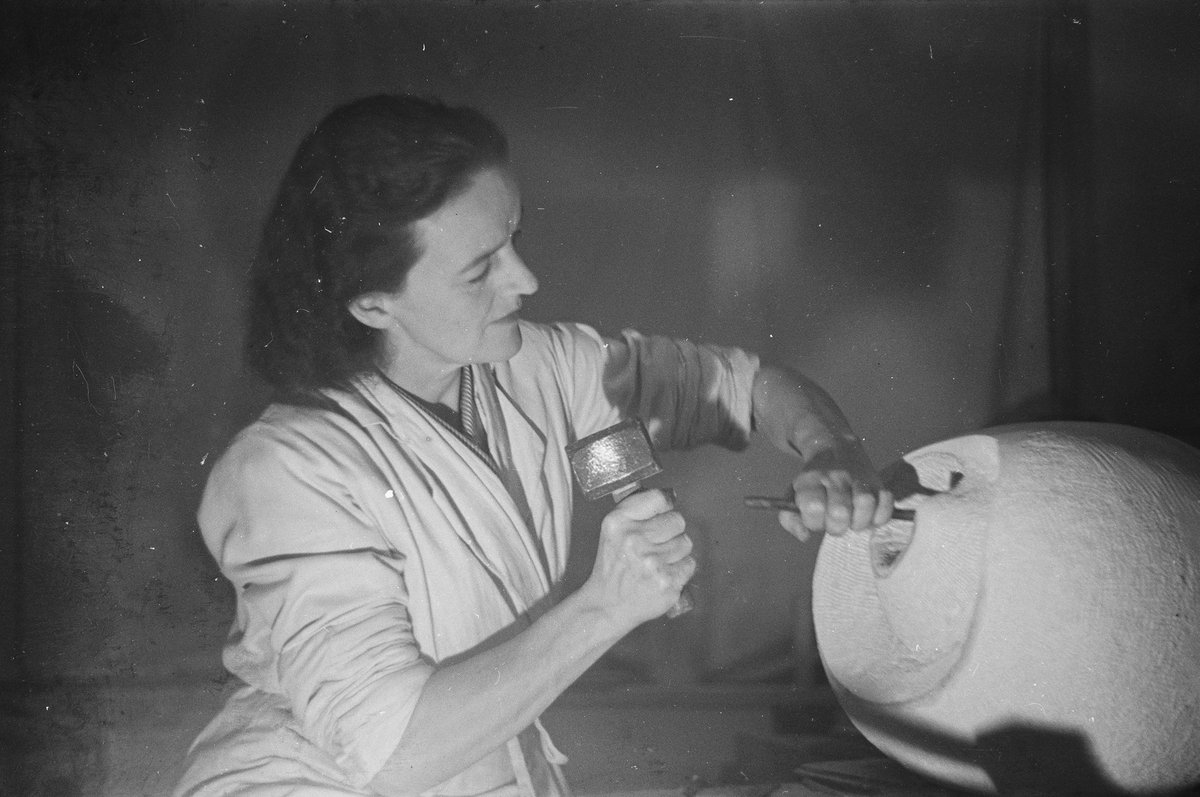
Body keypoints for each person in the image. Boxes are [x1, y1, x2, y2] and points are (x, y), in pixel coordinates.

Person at [174, 94, 894, 797]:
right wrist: (606, 604)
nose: (526, 279)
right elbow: (392, 751)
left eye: (514, 237)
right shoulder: (285, 470)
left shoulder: (538, 368)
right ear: (372, 302)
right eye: (480, 268)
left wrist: (831, 454)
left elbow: (743, 386)